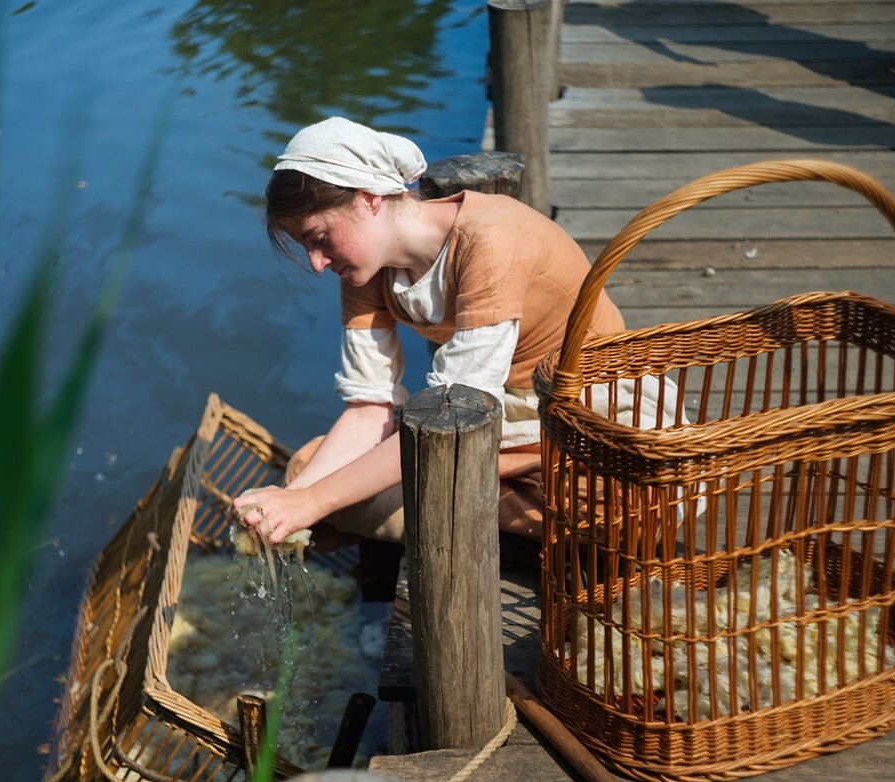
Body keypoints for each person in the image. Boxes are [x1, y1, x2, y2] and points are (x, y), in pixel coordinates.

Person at [232, 116, 629, 551]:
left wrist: (315, 500)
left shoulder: (491, 239)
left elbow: (453, 415)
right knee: (304, 473)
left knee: (617, 505)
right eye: (306, 248)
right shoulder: (363, 275)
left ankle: (489, 524)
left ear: (368, 198)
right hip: (499, 420)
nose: (316, 263)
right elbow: (369, 408)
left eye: (320, 238)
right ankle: (498, 526)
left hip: (588, 411)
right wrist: (295, 500)